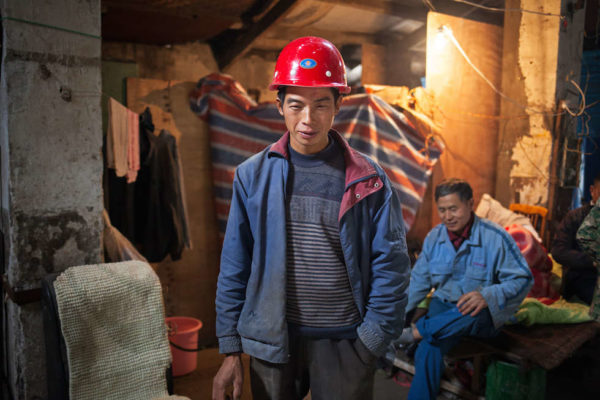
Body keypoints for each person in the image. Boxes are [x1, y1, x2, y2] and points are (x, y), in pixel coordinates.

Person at [212, 36, 411, 400]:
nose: (308, 119)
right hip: (271, 341)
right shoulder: (252, 176)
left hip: (345, 343)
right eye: (296, 105)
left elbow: (393, 266)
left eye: (321, 104)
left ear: (339, 104)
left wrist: (370, 341)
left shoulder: (368, 179)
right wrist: (230, 348)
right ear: (279, 106)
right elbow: (234, 265)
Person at [399, 178, 533, 400]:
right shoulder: (434, 238)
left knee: (473, 307)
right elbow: (418, 283)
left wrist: (488, 294)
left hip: (478, 319)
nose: (447, 216)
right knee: (427, 350)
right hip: (443, 311)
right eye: (442, 210)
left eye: (453, 208)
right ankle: (421, 335)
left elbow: (523, 279)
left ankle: (416, 332)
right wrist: (394, 317)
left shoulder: (495, 237)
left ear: (470, 204)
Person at [552, 173, 600, 304]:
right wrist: (592, 261)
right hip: (582, 279)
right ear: (592, 191)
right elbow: (558, 251)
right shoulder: (574, 217)